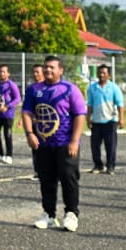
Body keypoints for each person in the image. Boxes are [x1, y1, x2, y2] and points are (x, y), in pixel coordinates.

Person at [22, 56, 88, 231]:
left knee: (69, 178)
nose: (47, 70)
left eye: (52, 67)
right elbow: (27, 112)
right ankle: (49, 214)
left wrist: (74, 140)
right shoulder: (34, 90)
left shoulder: (70, 89)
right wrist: (30, 133)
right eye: (46, 67)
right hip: (44, 144)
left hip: (65, 143)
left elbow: (80, 115)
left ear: (61, 70)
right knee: (46, 179)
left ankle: (71, 213)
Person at [86, 64, 124, 174]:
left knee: (110, 145)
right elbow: (90, 104)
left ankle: (110, 166)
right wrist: (88, 118)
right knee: (95, 145)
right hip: (97, 120)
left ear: (108, 75)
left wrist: (121, 119)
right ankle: (98, 165)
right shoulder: (92, 88)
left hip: (110, 120)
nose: (101, 75)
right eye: (100, 73)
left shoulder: (114, 88)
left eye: (104, 73)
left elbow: (120, 104)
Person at [0, 65, 21, 165]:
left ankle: (9, 155)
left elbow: (17, 98)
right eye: (0, 72)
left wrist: (7, 106)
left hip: (8, 115)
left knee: (7, 135)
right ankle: (0, 154)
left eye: (4, 72)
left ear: (8, 73)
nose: (2, 73)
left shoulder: (11, 85)